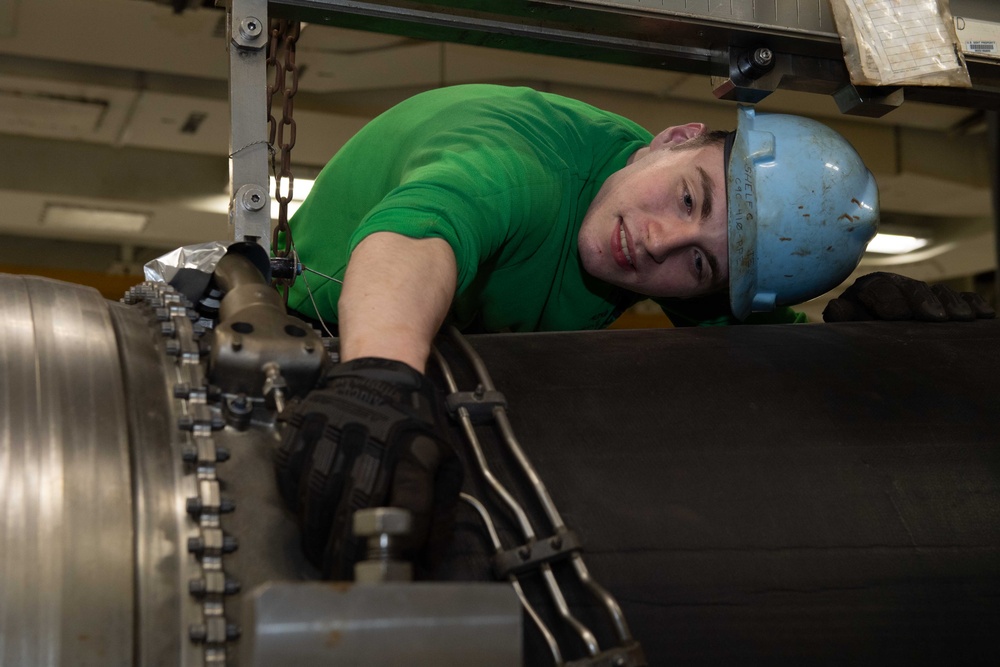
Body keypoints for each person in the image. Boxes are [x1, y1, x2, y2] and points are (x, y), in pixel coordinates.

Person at [273, 84, 993, 579]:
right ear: (672, 139)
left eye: (702, 260)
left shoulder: (673, 251)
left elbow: (762, 344)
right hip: (319, 330)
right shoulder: (523, 170)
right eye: (688, 196)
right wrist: (379, 378)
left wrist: (871, 346)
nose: (658, 241)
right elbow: (416, 238)